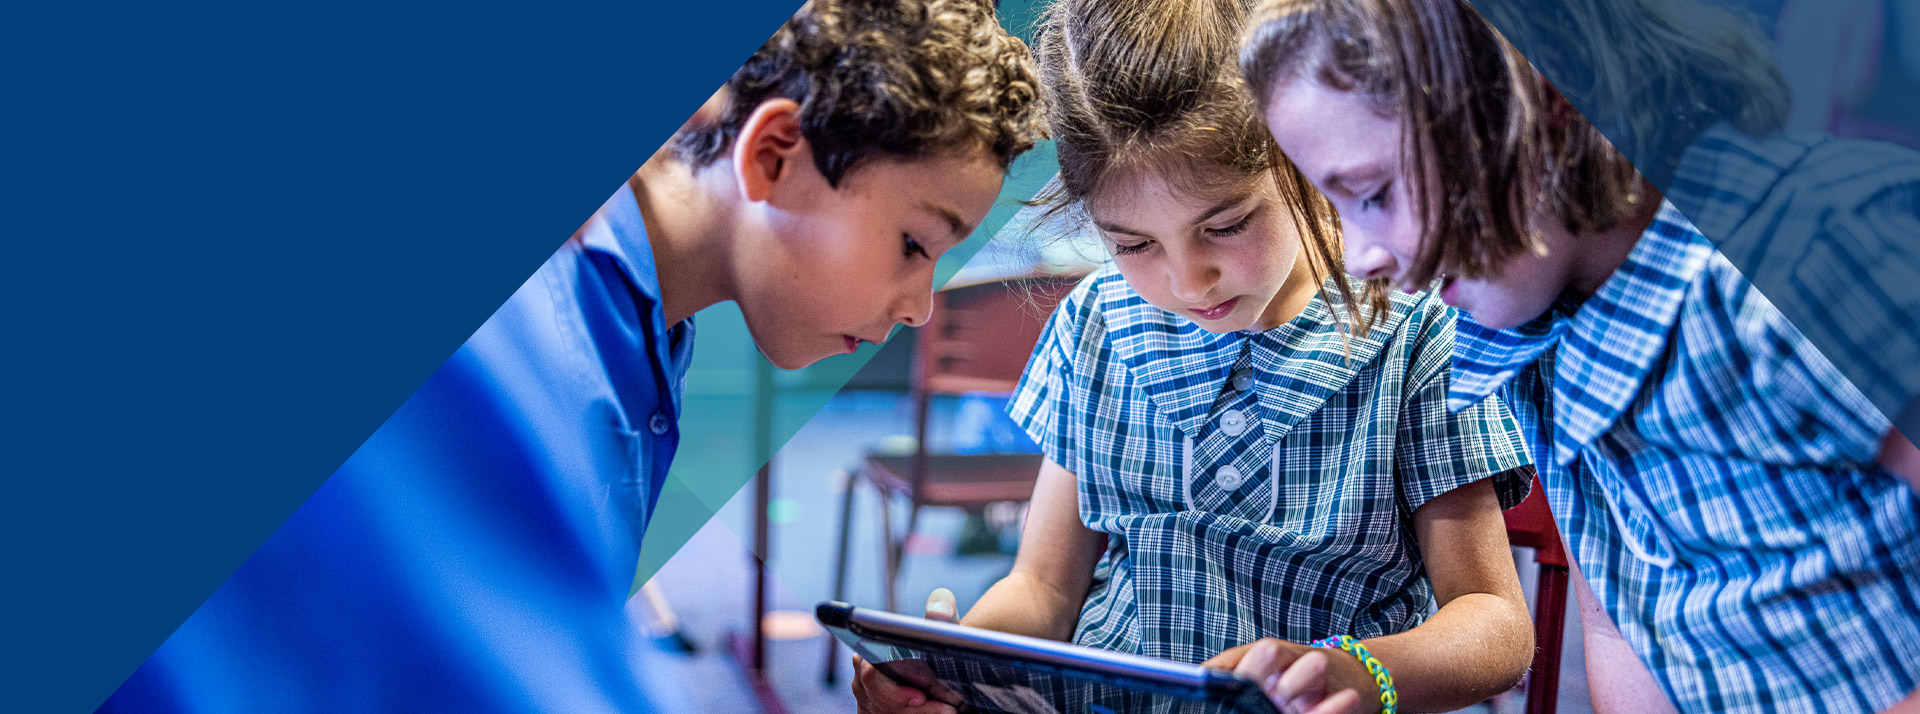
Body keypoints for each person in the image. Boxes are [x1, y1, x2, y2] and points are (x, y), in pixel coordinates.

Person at [98, 1, 1046, 712]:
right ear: (775, 155)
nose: (922, 306)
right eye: (917, 244)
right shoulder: (526, 351)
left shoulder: (640, 335)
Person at [853, 1, 1535, 713]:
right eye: (1134, 244)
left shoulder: (1416, 333)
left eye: (1227, 223)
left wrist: (1363, 673)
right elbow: (1044, 590)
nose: (1188, 281)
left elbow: (1495, 622)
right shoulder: (1099, 323)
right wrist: (960, 667)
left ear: (1299, 157)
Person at [1241, 0, 1920, 711]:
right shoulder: (1537, 336)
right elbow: (1624, 633)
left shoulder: (1811, 245)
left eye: (1375, 193)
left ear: (1543, 104)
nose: (1361, 257)